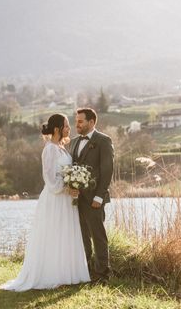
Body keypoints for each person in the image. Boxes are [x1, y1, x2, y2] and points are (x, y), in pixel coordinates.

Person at [0, 113, 90, 291]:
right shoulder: (49, 149)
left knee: (65, 234)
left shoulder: (62, 148)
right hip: (54, 198)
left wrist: (74, 184)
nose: (69, 128)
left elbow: (65, 172)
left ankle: (66, 274)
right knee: (54, 235)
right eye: (65, 125)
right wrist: (66, 187)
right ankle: (51, 275)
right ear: (57, 129)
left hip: (66, 200)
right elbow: (49, 178)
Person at [70, 108, 114, 283]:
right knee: (82, 238)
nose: (77, 124)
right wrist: (71, 188)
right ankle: (85, 273)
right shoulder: (73, 142)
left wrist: (99, 197)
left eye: (80, 121)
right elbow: (71, 169)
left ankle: (103, 274)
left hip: (95, 199)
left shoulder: (103, 141)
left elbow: (107, 170)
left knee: (98, 237)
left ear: (91, 122)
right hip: (76, 199)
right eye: (76, 121)